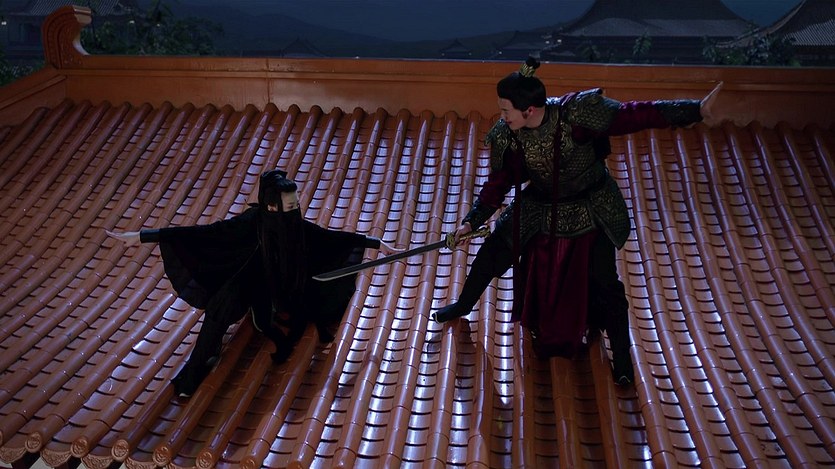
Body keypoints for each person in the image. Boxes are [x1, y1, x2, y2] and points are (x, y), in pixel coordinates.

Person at [434, 57, 722, 386]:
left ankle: (623, 358)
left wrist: (694, 110)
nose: (502, 117)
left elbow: (632, 115)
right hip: (541, 201)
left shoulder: (576, 115)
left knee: (606, 282)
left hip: (591, 202)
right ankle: (463, 304)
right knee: (494, 250)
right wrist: (470, 223)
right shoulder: (510, 135)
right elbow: (498, 184)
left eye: (506, 110)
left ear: (529, 110)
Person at [107, 169, 399, 396]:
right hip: (245, 281)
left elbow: (329, 238)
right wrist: (144, 236)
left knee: (306, 305)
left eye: (296, 204)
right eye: (288, 205)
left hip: (282, 287)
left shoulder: (294, 225)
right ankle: (194, 372)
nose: (294, 210)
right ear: (271, 207)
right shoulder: (251, 222)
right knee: (219, 311)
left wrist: (376, 244)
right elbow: (206, 233)